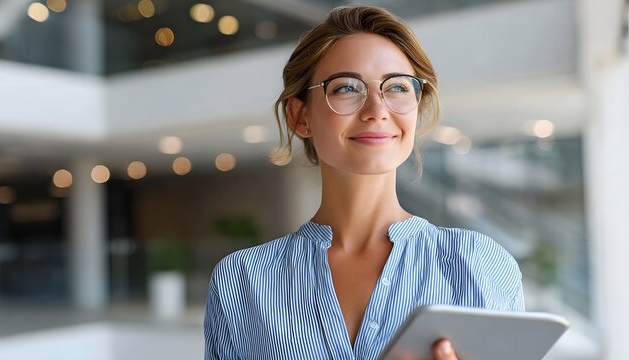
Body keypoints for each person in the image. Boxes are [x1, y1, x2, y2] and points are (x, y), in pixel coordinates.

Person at [204, 5, 524, 360]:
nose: (377, 109)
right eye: (346, 88)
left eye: (398, 87)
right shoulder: (242, 281)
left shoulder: (480, 264)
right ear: (300, 116)